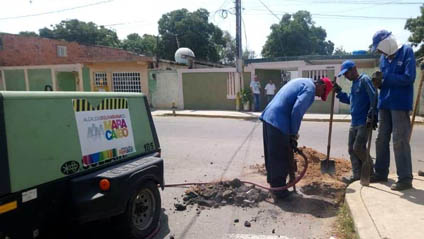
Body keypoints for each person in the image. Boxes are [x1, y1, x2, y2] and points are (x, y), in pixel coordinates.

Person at [260, 77, 333, 199]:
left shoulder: (303, 81)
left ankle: (275, 186)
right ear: (321, 86)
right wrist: (293, 133)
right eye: (322, 94)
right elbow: (297, 110)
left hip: (269, 116)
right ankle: (280, 192)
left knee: (272, 155)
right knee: (280, 156)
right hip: (279, 121)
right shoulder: (310, 89)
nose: (319, 96)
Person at [370, 30, 416, 191]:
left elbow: (409, 77)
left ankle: (405, 178)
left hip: (400, 104)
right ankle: (381, 172)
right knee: (381, 139)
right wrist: (379, 83)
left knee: (399, 140)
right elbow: (385, 82)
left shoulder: (406, 52)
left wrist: (386, 79)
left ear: (386, 43)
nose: (379, 51)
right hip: (385, 103)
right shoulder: (383, 58)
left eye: (379, 48)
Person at [334, 60, 377, 184]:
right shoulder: (354, 84)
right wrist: (339, 92)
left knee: (358, 148)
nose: (346, 76)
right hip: (354, 122)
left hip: (364, 122)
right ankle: (356, 174)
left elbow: (374, 96)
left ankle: (370, 171)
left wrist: (372, 114)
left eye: (347, 73)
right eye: (345, 75)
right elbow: (350, 100)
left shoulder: (364, 80)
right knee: (351, 149)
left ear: (354, 69)